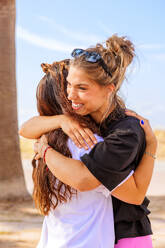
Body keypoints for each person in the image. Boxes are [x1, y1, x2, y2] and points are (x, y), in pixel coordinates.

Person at [19, 35, 157, 247]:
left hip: (127, 232)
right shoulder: (76, 125)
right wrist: (62, 120)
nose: (71, 95)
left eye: (82, 88)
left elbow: (126, 192)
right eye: (68, 85)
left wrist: (44, 149)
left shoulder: (123, 132)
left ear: (109, 88)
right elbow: (25, 129)